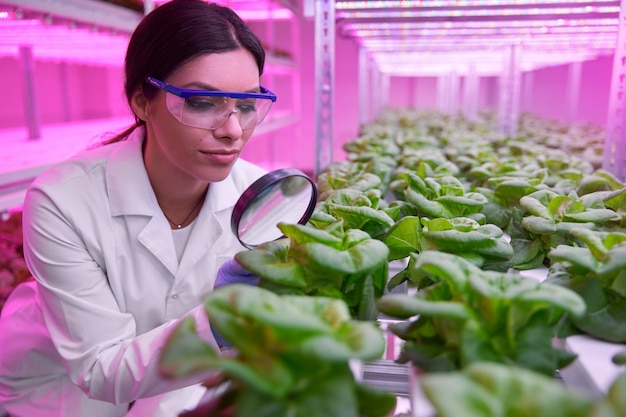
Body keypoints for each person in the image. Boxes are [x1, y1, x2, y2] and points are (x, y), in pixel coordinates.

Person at [0, 0, 273, 415]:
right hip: (59, 388)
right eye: (202, 103)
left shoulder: (258, 195)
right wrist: (218, 322)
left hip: (170, 380)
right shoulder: (62, 200)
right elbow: (98, 367)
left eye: (247, 105)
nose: (233, 130)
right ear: (142, 102)